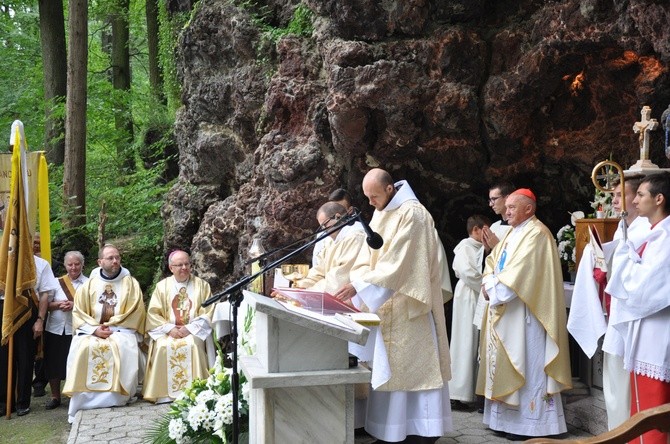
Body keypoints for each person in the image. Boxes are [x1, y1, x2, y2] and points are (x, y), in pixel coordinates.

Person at [333, 168, 452, 444]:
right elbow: (368, 253)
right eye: (367, 197)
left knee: (415, 368)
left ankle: (421, 430)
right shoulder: (381, 211)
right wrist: (358, 279)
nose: (370, 202)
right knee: (391, 369)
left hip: (410, 303)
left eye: (373, 196)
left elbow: (401, 262)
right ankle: (391, 430)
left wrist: (360, 285)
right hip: (386, 302)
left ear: (389, 189)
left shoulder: (414, 214)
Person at [477, 188, 572, 440]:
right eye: (506, 207)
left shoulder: (537, 234)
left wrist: (493, 289)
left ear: (529, 209)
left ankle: (530, 425)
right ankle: (505, 422)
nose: (506, 212)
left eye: (512, 207)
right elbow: (493, 261)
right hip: (508, 310)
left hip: (527, 314)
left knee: (527, 365)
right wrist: (488, 283)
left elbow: (520, 275)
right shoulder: (512, 233)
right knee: (508, 361)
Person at [568, 177, 648, 430]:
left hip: (635, 317)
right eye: (612, 195)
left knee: (623, 381)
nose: (614, 201)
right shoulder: (622, 227)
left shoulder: (646, 229)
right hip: (619, 313)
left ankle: (626, 430)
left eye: (619, 195)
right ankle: (618, 430)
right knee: (615, 378)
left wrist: (606, 260)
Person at [605, 172, 670, 444]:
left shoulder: (666, 237)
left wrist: (624, 260)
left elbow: (645, 289)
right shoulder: (655, 234)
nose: (635, 201)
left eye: (640, 195)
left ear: (659, 199)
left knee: (654, 405)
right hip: (647, 331)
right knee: (642, 402)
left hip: (658, 331)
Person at [62, 244, 146, 423]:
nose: (115, 261)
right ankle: (84, 399)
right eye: (110, 258)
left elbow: (136, 312)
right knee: (83, 347)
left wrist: (113, 328)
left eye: (117, 257)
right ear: (100, 262)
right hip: (94, 329)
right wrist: (95, 329)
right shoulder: (89, 284)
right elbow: (79, 312)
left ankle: (117, 396)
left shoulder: (130, 283)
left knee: (122, 346)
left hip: (121, 330)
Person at [142, 250, 216, 403]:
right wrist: (170, 329)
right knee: (162, 346)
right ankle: (162, 394)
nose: (184, 267)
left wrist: (189, 329)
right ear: (171, 268)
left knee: (194, 346)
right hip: (169, 331)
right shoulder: (162, 287)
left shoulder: (202, 286)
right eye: (179, 265)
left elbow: (208, 312)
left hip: (192, 331)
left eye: (187, 264)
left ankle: (197, 391)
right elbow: (153, 314)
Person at [0, 235, 59, 416]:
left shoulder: (41, 265)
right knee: (2, 359)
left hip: (28, 312)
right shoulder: (2, 262)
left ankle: (22, 402)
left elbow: (44, 295)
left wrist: (40, 320)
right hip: (3, 311)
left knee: (25, 358)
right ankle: (3, 402)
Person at [449, 214, 490, 409]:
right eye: (486, 230)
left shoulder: (479, 248)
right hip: (468, 296)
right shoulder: (465, 247)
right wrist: (486, 284)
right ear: (476, 230)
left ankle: (472, 391)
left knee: (475, 343)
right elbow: (468, 272)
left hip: (476, 295)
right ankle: (459, 393)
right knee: (465, 341)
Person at [43, 251, 88, 411]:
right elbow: (45, 304)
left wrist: (74, 305)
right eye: (70, 264)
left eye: (77, 264)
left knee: (75, 362)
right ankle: (55, 396)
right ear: (65, 265)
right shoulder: (55, 282)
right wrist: (58, 305)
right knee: (53, 362)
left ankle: (75, 396)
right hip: (55, 328)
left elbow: (93, 307)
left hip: (77, 329)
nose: (73, 267)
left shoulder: (89, 283)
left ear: (82, 264)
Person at [296, 202, 366, 293]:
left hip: (348, 300)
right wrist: (299, 287)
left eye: (325, 225)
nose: (324, 230)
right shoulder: (330, 240)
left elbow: (339, 280)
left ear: (338, 217)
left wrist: (308, 292)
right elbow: (319, 271)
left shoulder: (355, 236)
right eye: (322, 227)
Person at [473, 182, 515, 331]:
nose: (491, 204)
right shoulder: (495, 226)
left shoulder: (518, 229)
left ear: (508, 198)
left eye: (494, 199)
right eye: (489, 200)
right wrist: (486, 249)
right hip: (489, 287)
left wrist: (497, 246)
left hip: (504, 292)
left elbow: (517, 263)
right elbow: (484, 264)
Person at [312, 188, 353, 266]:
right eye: (332, 208)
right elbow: (316, 264)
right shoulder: (322, 235)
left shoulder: (356, 232)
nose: (337, 213)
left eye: (340, 208)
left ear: (350, 210)